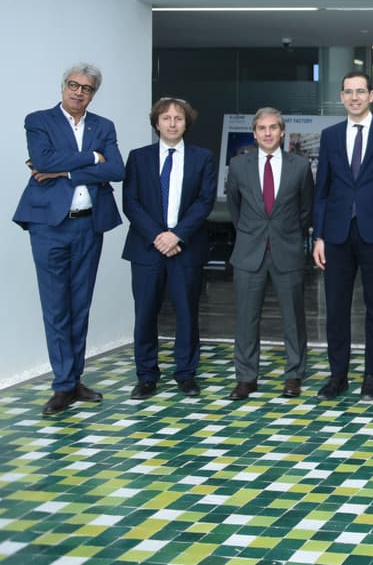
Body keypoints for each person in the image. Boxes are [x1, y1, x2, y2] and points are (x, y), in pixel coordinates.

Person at [13, 63, 125, 415]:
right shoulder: (39, 120)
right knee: (56, 306)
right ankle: (62, 385)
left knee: (80, 305)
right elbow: (42, 158)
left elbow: (116, 169)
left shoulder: (102, 126)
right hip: (49, 225)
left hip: (88, 225)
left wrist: (64, 170)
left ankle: (74, 379)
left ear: (94, 93)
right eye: (73, 85)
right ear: (63, 87)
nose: (79, 92)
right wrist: (92, 158)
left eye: (87, 88)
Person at [312, 71, 373, 400]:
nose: (354, 97)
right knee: (336, 308)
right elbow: (322, 189)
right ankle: (338, 376)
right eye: (348, 92)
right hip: (336, 233)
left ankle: (371, 375)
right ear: (341, 97)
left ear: (372, 95)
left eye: (360, 91)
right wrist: (318, 236)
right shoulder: (330, 135)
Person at [121, 97, 216, 400]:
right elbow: (131, 203)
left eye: (178, 118)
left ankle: (186, 374)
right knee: (145, 312)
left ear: (186, 123)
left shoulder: (203, 158)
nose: (172, 123)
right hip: (146, 249)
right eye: (166, 118)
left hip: (185, 248)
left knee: (187, 312)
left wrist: (176, 236)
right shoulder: (138, 157)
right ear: (156, 123)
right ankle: (147, 376)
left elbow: (204, 202)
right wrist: (158, 236)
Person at [225, 108, 314, 400]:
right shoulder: (238, 166)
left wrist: (286, 235)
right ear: (254, 133)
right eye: (261, 128)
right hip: (249, 251)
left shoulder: (300, 166)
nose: (267, 133)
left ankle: (294, 375)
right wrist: (252, 234)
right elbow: (235, 209)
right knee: (245, 318)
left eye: (273, 127)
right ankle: (246, 377)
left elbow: (305, 210)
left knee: (293, 317)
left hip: (286, 249)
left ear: (282, 131)